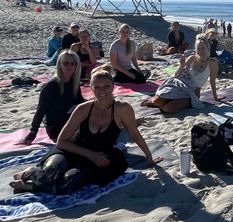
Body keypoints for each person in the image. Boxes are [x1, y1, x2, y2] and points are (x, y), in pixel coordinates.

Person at [10, 65, 162, 194]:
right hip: (71, 150)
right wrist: (90, 154)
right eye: (97, 87)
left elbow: (135, 134)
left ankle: (30, 186)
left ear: (113, 87)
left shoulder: (123, 109)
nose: (102, 91)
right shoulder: (83, 109)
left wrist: (148, 156)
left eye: (106, 86)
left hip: (100, 156)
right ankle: (30, 172)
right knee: (50, 174)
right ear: (91, 88)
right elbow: (62, 141)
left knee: (70, 182)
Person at [142, 35, 224, 113]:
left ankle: (167, 101)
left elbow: (212, 81)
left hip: (192, 92)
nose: (201, 51)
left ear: (207, 48)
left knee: (168, 109)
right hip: (179, 84)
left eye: (203, 48)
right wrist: (181, 66)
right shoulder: (192, 58)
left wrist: (215, 97)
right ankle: (160, 100)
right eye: (198, 49)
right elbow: (177, 75)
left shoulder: (212, 63)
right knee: (157, 101)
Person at [20, 51, 85, 144]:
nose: (69, 66)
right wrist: (33, 132)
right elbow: (40, 110)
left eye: (73, 64)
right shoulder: (51, 86)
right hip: (55, 126)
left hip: (70, 121)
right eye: (65, 63)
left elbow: (80, 103)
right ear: (60, 65)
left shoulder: (74, 83)